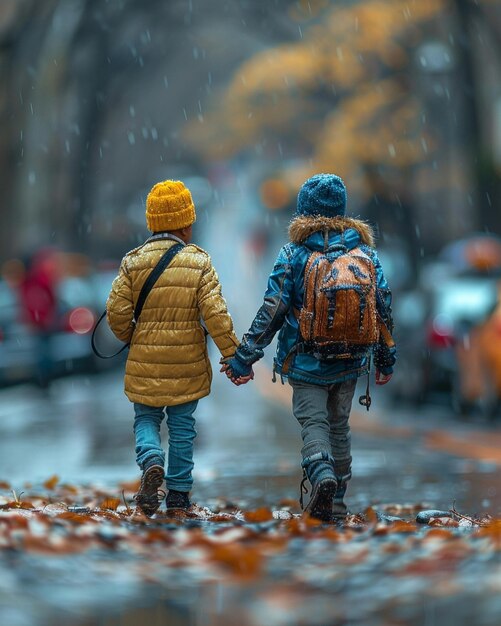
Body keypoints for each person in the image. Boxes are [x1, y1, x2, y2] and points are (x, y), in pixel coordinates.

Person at [222, 174, 396, 522]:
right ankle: (337, 504)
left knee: (313, 423)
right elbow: (383, 307)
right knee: (339, 428)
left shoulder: (294, 254)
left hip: (305, 361)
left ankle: (321, 475)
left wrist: (244, 358)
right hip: (351, 360)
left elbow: (272, 310)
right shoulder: (364, 254)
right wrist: (385, 358)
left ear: (303, 212)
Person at [107, 180, 240, 516]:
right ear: (187, 223)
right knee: (183, 428)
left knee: (146, 419)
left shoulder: (132, 262)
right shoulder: (199, 262)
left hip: (145, 360)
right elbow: (216, 315)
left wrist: (131, 336)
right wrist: (233, 355)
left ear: (152, 222)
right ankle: (178, 497)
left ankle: (151, 459)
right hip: (187, 363)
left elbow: (117, 313)